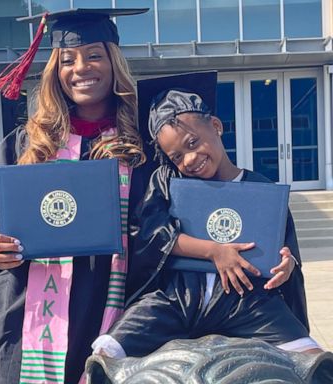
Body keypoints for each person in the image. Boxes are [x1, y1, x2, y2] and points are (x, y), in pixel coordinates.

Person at [0, 8, 150, 384]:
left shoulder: (141, 146)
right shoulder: (28, 143)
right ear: (56, 70)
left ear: (114, 63)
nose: (81, 68)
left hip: (106, 305)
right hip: (20, 308)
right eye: (68, 59)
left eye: (94, 55)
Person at [92, 71, 323, 360]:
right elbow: (152, 236)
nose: (188, 159)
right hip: (176, 300)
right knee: (105, 354)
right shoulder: (168, 184)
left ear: (215, 126)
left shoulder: (261, 190)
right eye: (175, 156)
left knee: (314, 360)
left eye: (192, 143)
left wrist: (286, 267)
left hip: (245, 302)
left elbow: (284, 255)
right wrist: (214, 251)